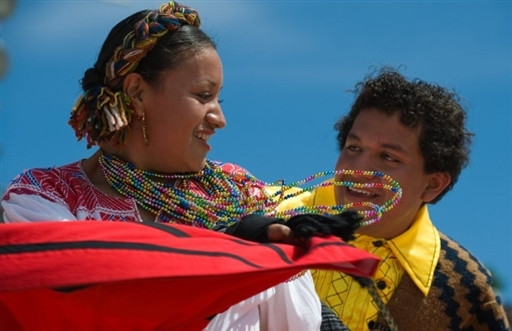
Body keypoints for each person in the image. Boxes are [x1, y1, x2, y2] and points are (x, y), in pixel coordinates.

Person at [0, 2, 378, 330]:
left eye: (219, 98)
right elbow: (86, 301)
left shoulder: (238, 192)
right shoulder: (45, 200)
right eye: (203, 96)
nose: (219, 118)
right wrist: (230, 250)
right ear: (136, 92)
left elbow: (299, 324)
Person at [277, 68, 510, 330]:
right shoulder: (268, 216)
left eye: (388, 157)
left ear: (433, 184)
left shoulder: (465, 288)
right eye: (353, 148)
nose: (359, 170)